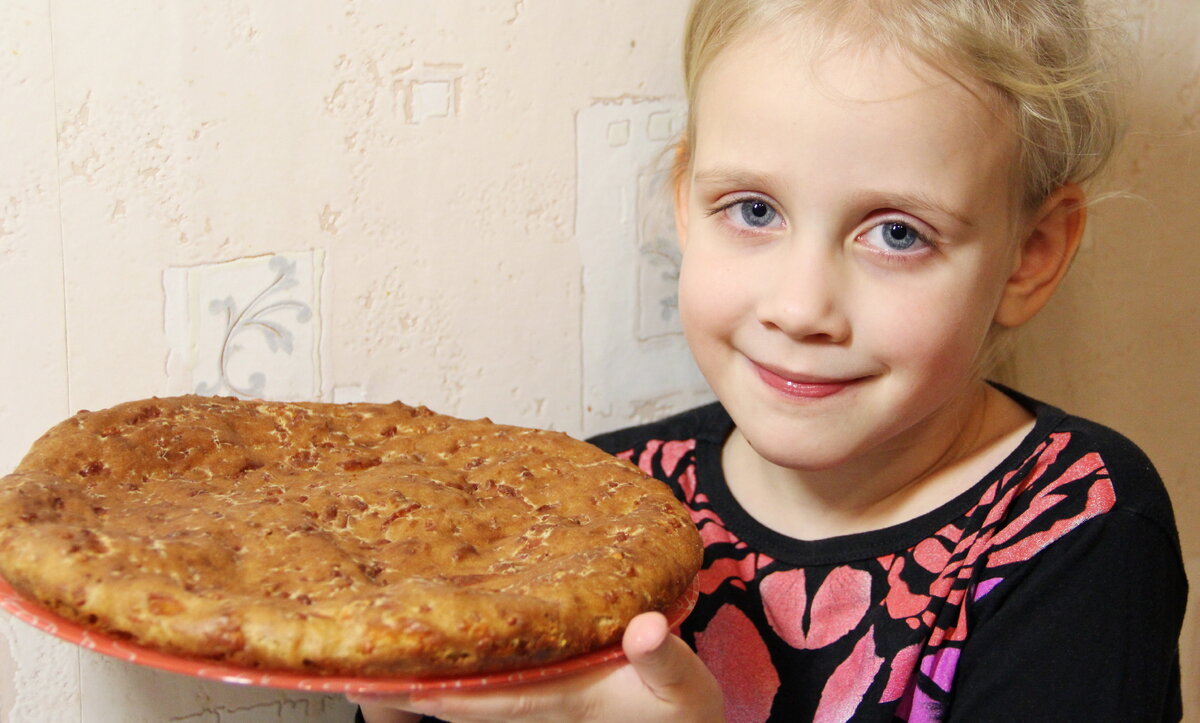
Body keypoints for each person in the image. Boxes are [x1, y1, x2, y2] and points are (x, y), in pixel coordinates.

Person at [350, 0, 1188, 720]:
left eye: (897, 232)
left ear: (1029, 254)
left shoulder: (1079, 529)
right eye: (753, 210)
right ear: (685, 203)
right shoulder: (603, 507)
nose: (799, 307)